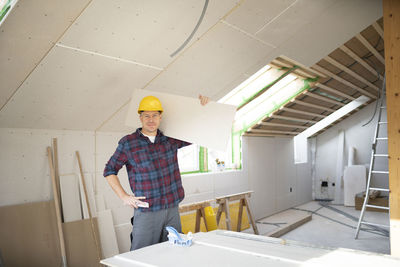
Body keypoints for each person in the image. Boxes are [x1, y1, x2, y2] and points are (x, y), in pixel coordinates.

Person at [103, 94, 209, 251]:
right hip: (147, 211)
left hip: (172, 208)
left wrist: (203, 109)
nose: (151, 120)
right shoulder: (128, 143)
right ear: (140, 118)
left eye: (154, 115)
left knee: (173, 251)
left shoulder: (170, 140)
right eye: (146, 116)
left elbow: (196, 132)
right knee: (141, 254)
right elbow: (109, 170)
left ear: (160, 117)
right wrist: (124, 196)